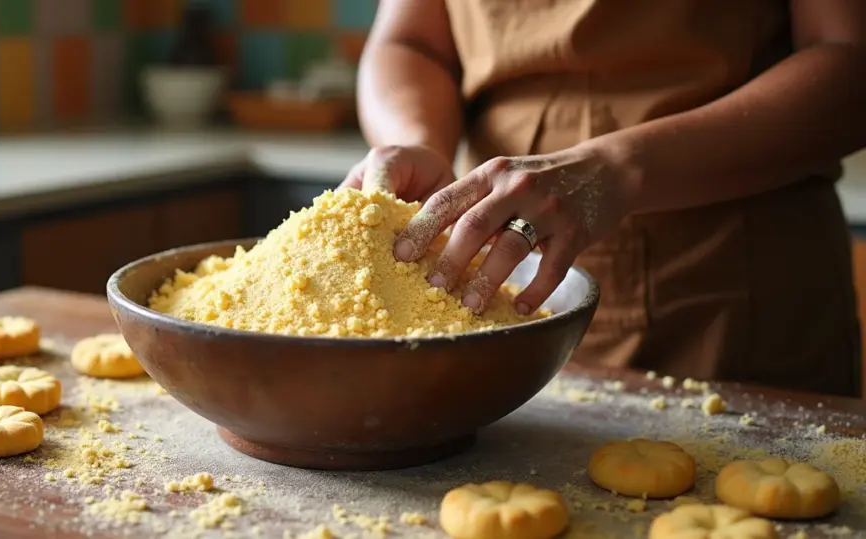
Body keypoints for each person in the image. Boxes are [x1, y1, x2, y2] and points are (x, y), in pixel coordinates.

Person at [340, 0, 866, 397]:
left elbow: (849, 58)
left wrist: (618, 167)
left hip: (732, 284)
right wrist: (418, 140)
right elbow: (412, 43)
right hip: (495, 286)